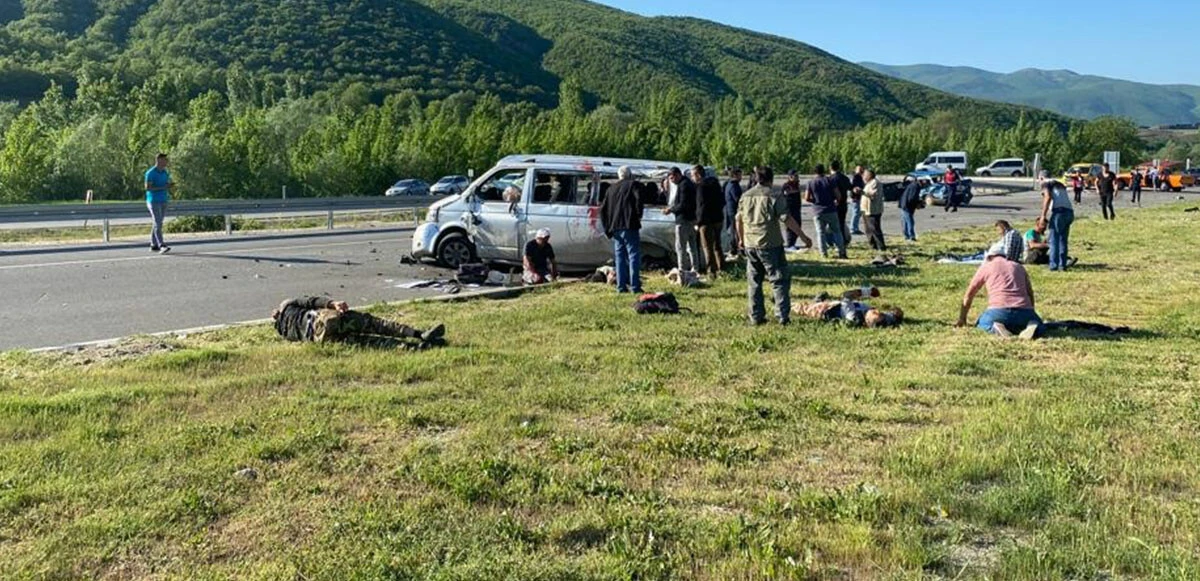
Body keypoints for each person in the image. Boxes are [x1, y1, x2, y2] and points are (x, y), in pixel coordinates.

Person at [736, 166, 807, 326]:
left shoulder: (745, 195)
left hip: (750, 244)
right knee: (779, 279)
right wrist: (803, 236)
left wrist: (741, 239)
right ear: (771, 179)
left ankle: (756, 316)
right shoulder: (774, 195)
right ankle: (782, 316)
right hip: (770, 243)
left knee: (754, 281)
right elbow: (786, 218)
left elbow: (738, 219)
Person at [955, 236, 1044, 339]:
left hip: (999, 311)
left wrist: (962, 319)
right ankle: (1032, 325)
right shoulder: (1018, 266)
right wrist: (1031, 311)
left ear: (989, 256)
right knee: (1041, 325)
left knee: (982, 323)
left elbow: (969, 295)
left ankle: (995, 327)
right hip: (1025, 311)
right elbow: (1030, 293)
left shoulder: (986, 267)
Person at [272, 296, 445, 347]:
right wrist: (332, 304)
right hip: (327, 321)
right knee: (375, 324)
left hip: (321, 338)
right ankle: (418, 334)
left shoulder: (284, 333)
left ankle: (415, 347)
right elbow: (311, 301)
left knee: (370, 342)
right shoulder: (286, 305)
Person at [600, 166, 644, 293]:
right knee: (633, 255)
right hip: (629, 224)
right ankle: (635, 286)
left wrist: (607, 228)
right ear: (630, 175)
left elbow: (603, 210)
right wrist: (638, 215)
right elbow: (638, 201)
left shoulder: (610, 189)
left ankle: (621, 286)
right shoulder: (634, 185)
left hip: (615, 227)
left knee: (619, 257)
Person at [664, 167, 701, 272]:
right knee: (692, 246)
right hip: (692, 219)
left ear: (677, 175)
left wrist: (670, 210)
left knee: (681, 247)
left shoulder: (683, 185)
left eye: (672, 178)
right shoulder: (689, 183)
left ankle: (682, 269)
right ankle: (695, 268)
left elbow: (683, 204)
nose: (672, 181)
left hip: (683, 220)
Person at [805, 164, 846, 258]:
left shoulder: (811, 182)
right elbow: (838, 196)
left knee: (820, 233)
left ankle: (823, 254)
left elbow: (806, 198)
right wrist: (835, 201)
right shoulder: (830, 180)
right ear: (824, 171)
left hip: (817, 210)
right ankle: (841, 252)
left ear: (814, 171)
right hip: (831, 209)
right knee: (837, 231)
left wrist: (815, 201)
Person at [1038, 170, 1075, 272]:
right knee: (1063, 239)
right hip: (1069, 212)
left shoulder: (1046, 183)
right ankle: (1062, 265)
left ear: (1041, 178)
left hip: (1059, 212)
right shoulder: (1059, 184)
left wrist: (1043, 216)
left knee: (1053, 239)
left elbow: (1048, 197)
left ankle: (1053, 265)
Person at [693, 165, 726, 277]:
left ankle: (711, 271)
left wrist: (698, 222)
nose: (693, 178)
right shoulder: (715, 184)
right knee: (718, 245)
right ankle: (722, 268)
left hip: (706, 221)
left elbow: (701, 206)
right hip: (718, 218)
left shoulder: (700, 187)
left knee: (707, 247)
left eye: (693, 175)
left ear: (698, 175)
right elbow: (722, 200)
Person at [144, 153, 173, 254]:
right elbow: (148, 188)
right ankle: (161, 245)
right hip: (153, 201)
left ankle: (153, 245)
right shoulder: (150, 173)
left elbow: (165, 184)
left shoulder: (165, 172)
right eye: (165, 160)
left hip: (163, 199)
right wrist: (163, 188)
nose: (166, 162)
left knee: (158, 222)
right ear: (159, 160)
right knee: (158, 223)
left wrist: (169, 185)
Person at [780, 170, 810, 250]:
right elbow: (785, 195)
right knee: (791, 228)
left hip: (797, 209)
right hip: (789, 209)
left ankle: (793, 243)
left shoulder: (796, 185)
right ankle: (790, 244)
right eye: (795, 176)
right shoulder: (786, 185)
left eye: (797, 176)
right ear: (790, 177)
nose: (797, 177)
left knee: (798, 225)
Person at [859, 169, 886, 251]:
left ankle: (881, 246)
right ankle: (873, 245)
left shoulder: (875, 183)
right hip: (865, 210)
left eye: (865, 175)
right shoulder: (868, 183)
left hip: (873, 210)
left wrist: (861, 191)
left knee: (874, 228)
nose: (863, 176)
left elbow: (872, 194)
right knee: (868, 229)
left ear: (870, 175)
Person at [829, 161, 853, 242]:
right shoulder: (844, 178)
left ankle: (835, 241)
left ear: (830, 168)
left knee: (833, 225)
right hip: (843, 203)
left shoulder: (831, 179)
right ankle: (843, 240)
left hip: (834, 204)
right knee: (841, 223)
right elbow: (850, 187)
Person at [723, 167, 745, 258]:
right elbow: (738, 199)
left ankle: (734, 248)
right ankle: (735, 249)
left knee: (733, 230)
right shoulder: (734, 185)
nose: (741, 177)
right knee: (736, 231)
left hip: (730, 210)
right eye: (740, 175)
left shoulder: (728, 184)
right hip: (734, 211)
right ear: (735, 175)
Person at [898, 177, 922, 242]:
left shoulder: (912, 185)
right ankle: (911, 236)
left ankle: (906, 236)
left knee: (905, 221)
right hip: (907, 205)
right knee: (909, 221)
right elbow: (912, 198)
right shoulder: (915, 186)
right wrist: (917, 204)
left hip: (904, 204)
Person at [850, 165, 866, 235]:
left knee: (858, 213)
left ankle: (855, 228)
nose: (860, 170)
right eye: (859, 169)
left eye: (861, 169)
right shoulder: (856, 177)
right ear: (856, 170)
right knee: (856, 213)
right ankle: (853, 228)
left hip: (859, 197)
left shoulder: (860, 177)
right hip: (856, 198)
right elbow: (854, 187)